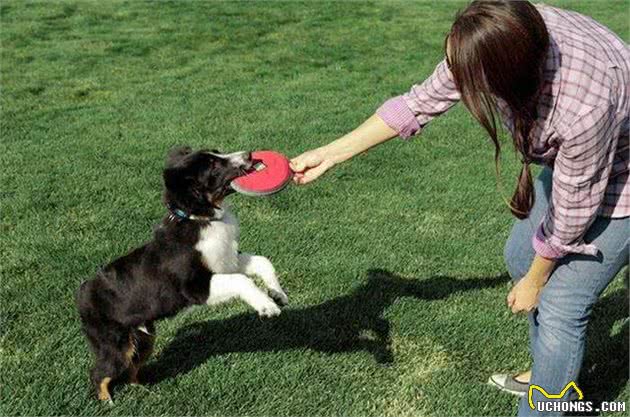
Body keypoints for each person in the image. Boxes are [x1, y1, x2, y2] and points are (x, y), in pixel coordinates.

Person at [289, 1, 629, 416]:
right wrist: (330, 153)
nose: (455, 77)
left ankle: (547, 403)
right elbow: (417, 103)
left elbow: (575, 212)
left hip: (620, 176)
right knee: (521, 255)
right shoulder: (500, 32)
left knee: (561, 302)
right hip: (578, 162)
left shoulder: (582, 109)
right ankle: (549, 371)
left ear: (506, 75)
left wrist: (538, 282)